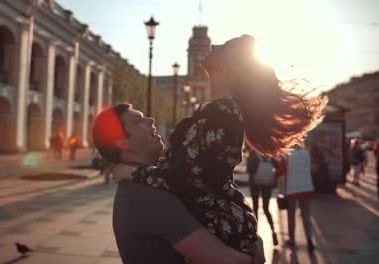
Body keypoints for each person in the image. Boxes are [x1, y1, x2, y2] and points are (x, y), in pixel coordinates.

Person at [113, 34, 325, 255]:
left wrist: (134, 173)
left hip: (217, 228)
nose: (214, 45)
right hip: (218, 224)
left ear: (229, 68)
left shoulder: (223, 113)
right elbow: (216, 180)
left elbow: (186, 180)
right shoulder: (220, 111)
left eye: (223, 47)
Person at [92, 103, 265, 264]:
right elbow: (226, 259)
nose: (150, 120)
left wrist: (252, 237)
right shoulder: (147, 196)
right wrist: (252, 254)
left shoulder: (151, 182)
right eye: (138, 120)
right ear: (122, 142)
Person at [277, 145, 315, 251]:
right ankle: (309, 239)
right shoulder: (307, 154)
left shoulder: (287, 156)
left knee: (291, 215)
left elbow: (279, 171)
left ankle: (292, 240)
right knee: (306, 215)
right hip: (306, 188)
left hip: (292, 189)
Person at [247, 149, 279, 246]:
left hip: (254, 184)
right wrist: (274, 180)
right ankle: (273, 232)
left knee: (255, 208)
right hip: (267, 183)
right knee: (266, 208)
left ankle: (255, 235)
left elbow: (249, 170)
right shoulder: (269, 152)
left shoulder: (253, 154)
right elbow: (278, 165)